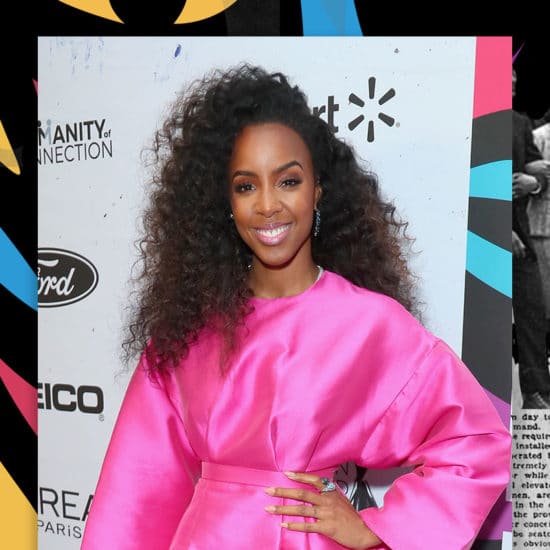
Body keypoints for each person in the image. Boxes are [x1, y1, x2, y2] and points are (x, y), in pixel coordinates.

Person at [80, 64, 511, 549]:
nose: (268, 205)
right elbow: (135, 497)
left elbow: (476, 444)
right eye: (246, 186)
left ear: (317, 188)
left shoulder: (368, 324)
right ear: (225, 203)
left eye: (287, 181)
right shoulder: (189, 330)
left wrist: (375, 528)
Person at [512, 67, 550, 409]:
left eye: (515, 79)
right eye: (507, 79)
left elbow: (538, 169)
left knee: (533, 314)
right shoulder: (476, 123)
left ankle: (536, 396)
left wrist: (533, 183)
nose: (513, 84)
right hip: (487, 234)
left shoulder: (521, 123)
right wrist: (499, 229)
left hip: (522, 239)